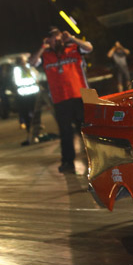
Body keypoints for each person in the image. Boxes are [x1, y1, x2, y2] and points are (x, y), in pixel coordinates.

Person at [29, 27, 93, 173]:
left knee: (86, 130)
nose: (56, 40)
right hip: (60, 100)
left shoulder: (74, 49)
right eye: (53, 38)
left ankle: (96, 158)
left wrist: (72, 38)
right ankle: (68, 162)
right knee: (65, 132)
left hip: (80, 96)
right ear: (48, 41)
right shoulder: (45, 56)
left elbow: (89, 47)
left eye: (58, 37)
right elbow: (32, 63)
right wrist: (43, 46)